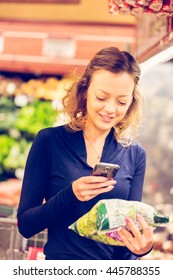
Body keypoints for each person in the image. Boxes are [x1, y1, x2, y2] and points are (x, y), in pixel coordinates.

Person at [17, 46, 153, 260]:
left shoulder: (135, 154)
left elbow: (128, 236)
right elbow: (26, 225)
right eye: (101, 97)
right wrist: (71, 194)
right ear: (85, 91)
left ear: (131, 103)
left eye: (121, 102)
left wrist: (142, 248)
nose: (110, 109)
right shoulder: (50, 141)